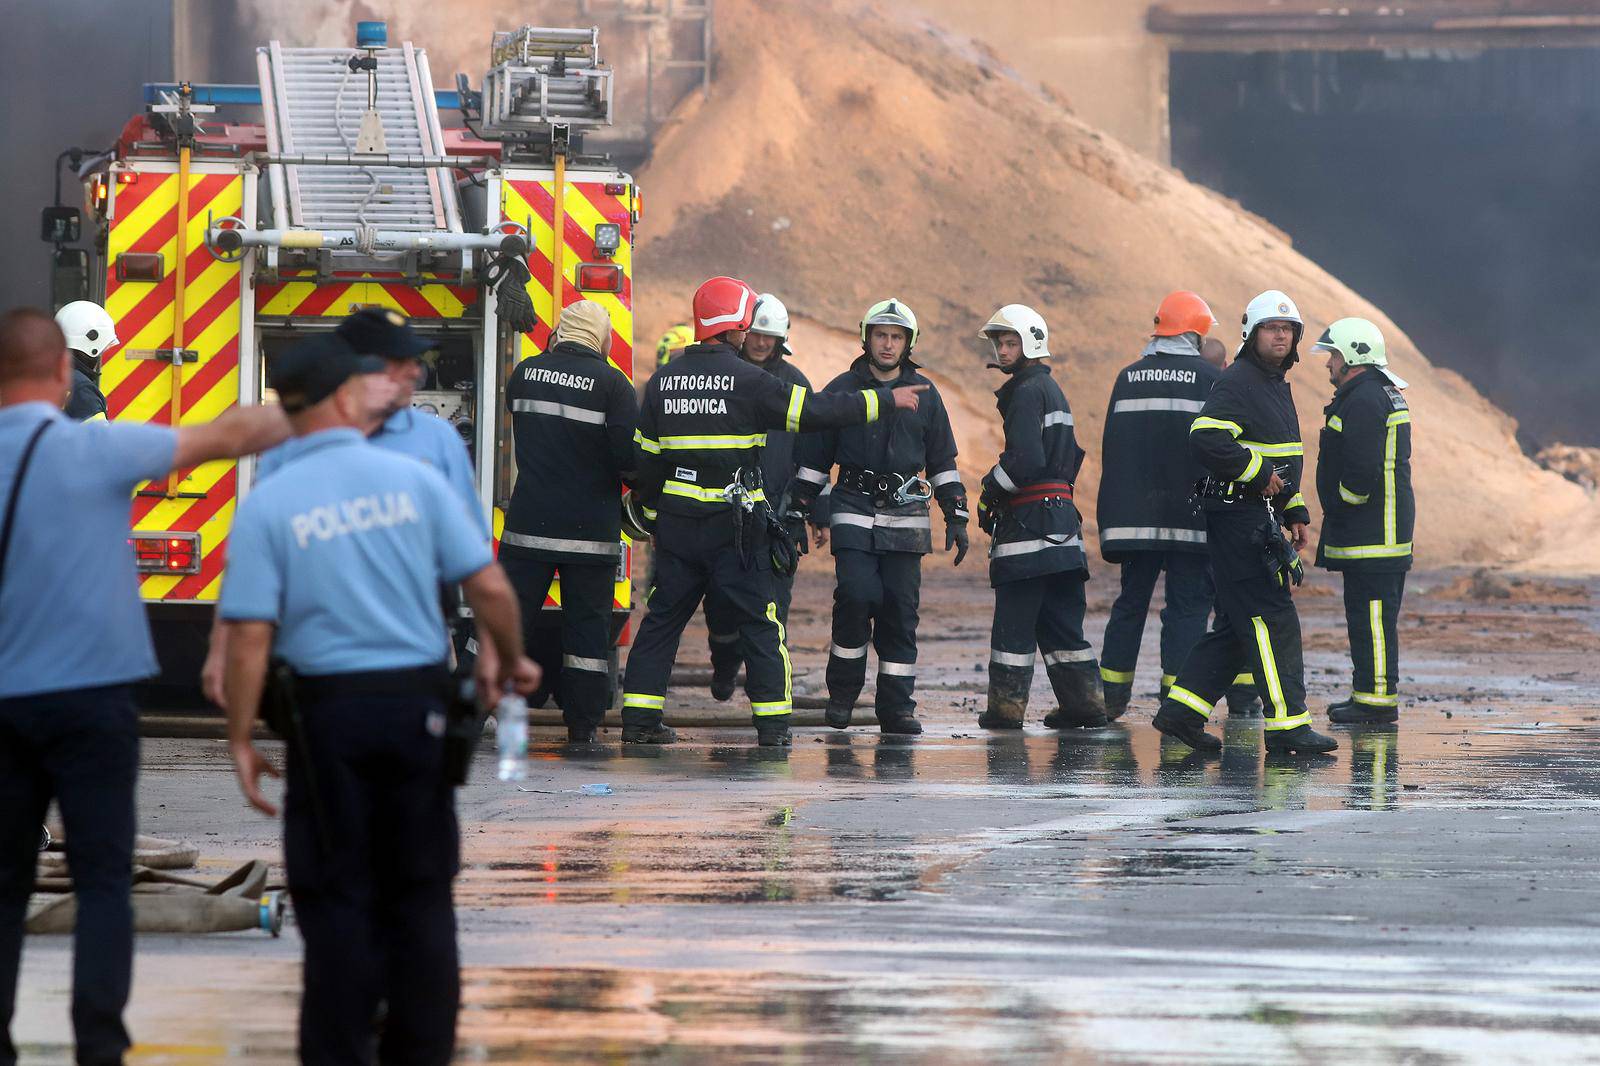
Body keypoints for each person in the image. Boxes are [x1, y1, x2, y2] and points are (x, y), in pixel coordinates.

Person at [218, 332, 539, 1065]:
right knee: (421, 891)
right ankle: (421, 1050)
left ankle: (337, 1050)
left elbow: (247, 637)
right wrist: (511, 662)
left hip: (324, 715)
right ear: (343, 396)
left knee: (334, 894)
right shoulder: (416, 480)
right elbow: (487, 585)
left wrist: (240, 737)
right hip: (416, 707)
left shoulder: (272, 499)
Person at [0, 306, 289, 1066]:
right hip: (92, 700)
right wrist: (319, 400)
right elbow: (227, 436)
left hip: (4, 701)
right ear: (65, 373)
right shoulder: (96, 449)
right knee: (102, 879)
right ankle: (99, 1042)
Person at [620, 276, 928, 747]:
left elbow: (643, 459)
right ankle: (772, 728)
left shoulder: (664, 380)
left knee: (661, 620)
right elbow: (817, 413)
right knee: (763, 623)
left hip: (679, 526)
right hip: (734, 529)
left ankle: (639, 723)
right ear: (735, 326)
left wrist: (651, 512)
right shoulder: (748, 381)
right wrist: (885, 400)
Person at [203, 309, 488, 704]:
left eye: (414, 361)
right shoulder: (292, 440)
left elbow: (475, 562)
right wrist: (223, 653)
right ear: (357, 371)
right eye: (399, 362)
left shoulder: (438, 439)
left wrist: (488, 652)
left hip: (416, 663)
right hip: (320, 666)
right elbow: (251, 558)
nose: (415, 373)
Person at [1151, 290, 1338, 756]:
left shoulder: (1272, 384)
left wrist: (1292, 505)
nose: (1280, 335)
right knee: (1272, 619)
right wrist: (1256, 475)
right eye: (1270, 328)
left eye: (1287, 329)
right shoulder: (1240, 381)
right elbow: (1205, 437)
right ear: (1251, 335)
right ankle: (1288, 725)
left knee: (1237, 627)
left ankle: (1181, 713)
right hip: (1239, 521)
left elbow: (1277, 458)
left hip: (1257, 516)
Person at [788, 298, 967, 735]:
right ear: (866, 337)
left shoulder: (927, 395)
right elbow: (814, 461)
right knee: (856, 595)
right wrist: (798, 507)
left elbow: (942, 460)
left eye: (896, 337)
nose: (887, 344)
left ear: (909, 343)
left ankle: (897, 709)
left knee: (900, 610)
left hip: (907, 512)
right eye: (880, 335)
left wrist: (956, 513)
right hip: (852, 504)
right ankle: (843, 695)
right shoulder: (841, 390)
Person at [501, 300, 637, 743]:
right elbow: (627, 461)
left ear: (559, 333)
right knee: (586, 636)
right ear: (602, 338)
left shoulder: (524, 373)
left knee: (509, 624)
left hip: (528, 527)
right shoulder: (613, 385)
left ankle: (485, 713)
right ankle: (581, 727)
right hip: (590, 535)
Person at [973, 304, 1106, 731]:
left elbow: (1026, 460)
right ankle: (1084, 705)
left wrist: (988, 490)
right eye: (1001, 343)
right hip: (1064, 530)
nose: (1004, 350)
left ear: (1031, 344)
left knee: (1014, 623)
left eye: (1011, 343)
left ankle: (1005, 709)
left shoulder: (1028, 391)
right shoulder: (1053, 390)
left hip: (1028, 529)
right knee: (1063, 625)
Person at [1095, 291, 1221, 720]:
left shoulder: (1127, 378)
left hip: (1134, 521)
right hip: (1191, 517)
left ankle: (1109, 699)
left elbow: (1113, 449)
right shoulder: (1210, 379)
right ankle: (1177, 704)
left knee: (1131, 603)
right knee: (1186, 608)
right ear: (1194, 335)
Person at [705, 293, 812, 700]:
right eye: (756, 334)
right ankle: (725, 661)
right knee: (720, 603)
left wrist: (809, 509)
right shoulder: (722, 375)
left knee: (774, 606)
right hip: (722, 513)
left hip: (776, 517)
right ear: (741, 332)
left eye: (770, 336)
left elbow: (812, 452)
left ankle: (764, 688)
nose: (762, 343)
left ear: (781, 339)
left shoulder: (796, 384)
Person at [1312, 316, 1414, 725]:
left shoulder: (1365, 398)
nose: (1328, 364)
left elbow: (1360, 470)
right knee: (1369, 616)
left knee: (1371, 617)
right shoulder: (1374, 394)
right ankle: (1367, 695)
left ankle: (1375, 702)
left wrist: (1340, 504)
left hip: (1373, 532)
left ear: (1353, 355)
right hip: (1377, 531)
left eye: (1333, 356)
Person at [54, 301, 119, 422]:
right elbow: (99, 438)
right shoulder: (81, 390)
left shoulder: (41, 375)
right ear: (91, 344)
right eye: (102, 350)